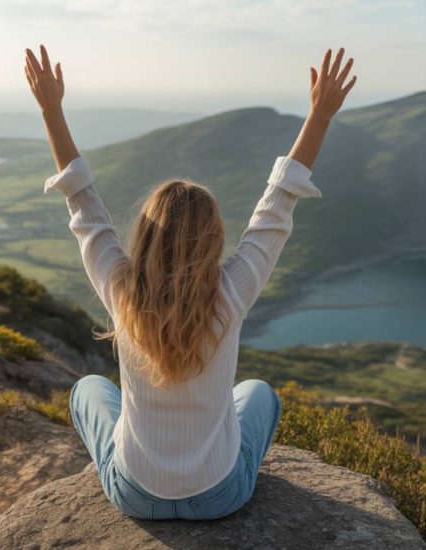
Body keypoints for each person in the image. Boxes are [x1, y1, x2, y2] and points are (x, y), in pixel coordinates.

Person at [24, 45, 356, 521]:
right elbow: (277, 206)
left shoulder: (122, 290)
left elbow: (83, 204)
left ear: (145, 235)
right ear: (214, 238)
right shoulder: (231, 292)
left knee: (88, 390)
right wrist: (319, 117)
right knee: (258, 393)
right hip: (220, 496)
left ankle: (130, 469)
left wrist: (50, 110)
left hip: (134, 494)